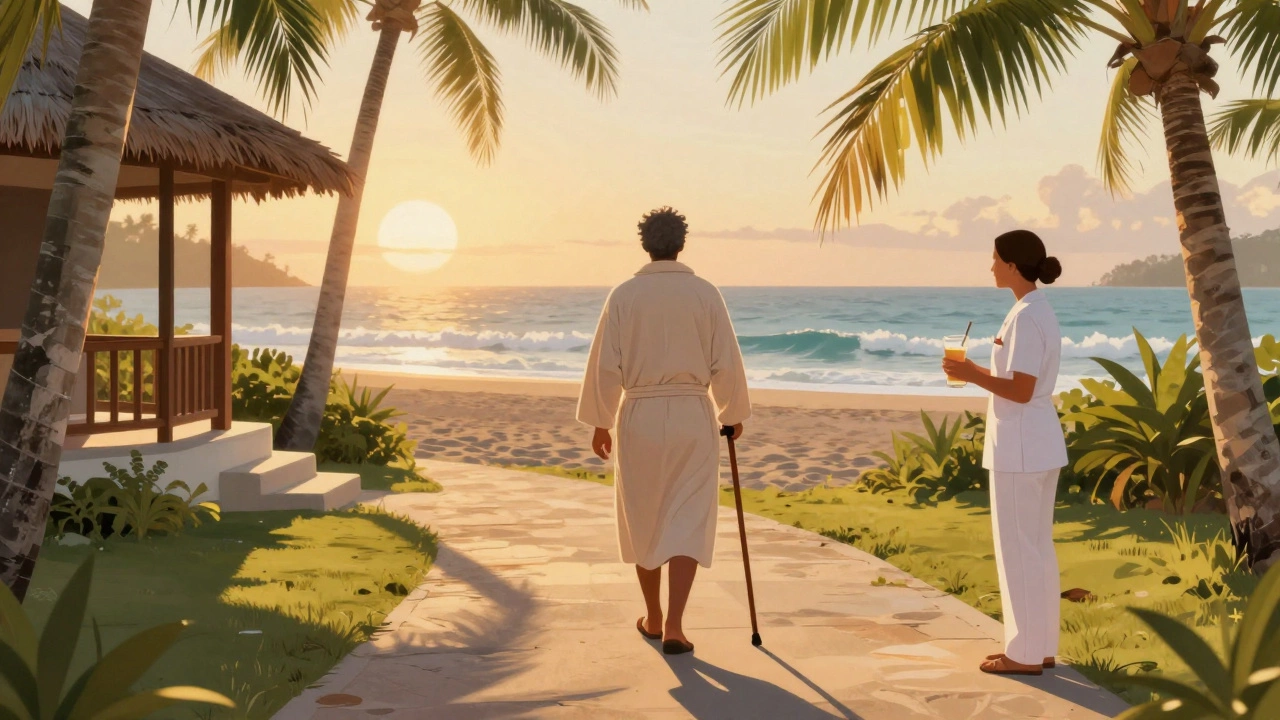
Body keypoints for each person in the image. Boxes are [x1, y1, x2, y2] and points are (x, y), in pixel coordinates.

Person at [577, 206, 751, 656]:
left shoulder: (624, 295)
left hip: (640, 416)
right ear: (681, 244)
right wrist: (732, 412)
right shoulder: (705, 293)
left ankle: (652, 616)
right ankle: (674, 624)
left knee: (644, 515)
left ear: (645, 245)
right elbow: (725, 360)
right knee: (688, 517)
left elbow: (606, 365)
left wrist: (601, 421)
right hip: (693, 414)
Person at [942, 229, 1068, 676]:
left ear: (1013, 266)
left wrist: (970, 373)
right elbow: (1022, 384)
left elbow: (1021, 389)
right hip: (1036, 444)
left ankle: (1024, 654)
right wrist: (975, 370)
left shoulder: (1026, 317)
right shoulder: (1036, 310)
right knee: (1037, 548)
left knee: (1019, 550)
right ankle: (1041, 647)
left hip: (1021, 449)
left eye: (995, 258)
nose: (991, 266)